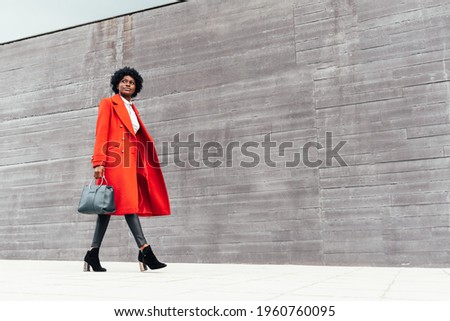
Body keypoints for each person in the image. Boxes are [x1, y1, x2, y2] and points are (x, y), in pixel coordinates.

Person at [83, 67, 171, 272]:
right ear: (117, 84)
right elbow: (101, 133)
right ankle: (145, 250)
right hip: (114, 163)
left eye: (131, 82)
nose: (127, 84)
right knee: (127, 205)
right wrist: (98, 162)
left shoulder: (133, 108)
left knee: (106, 209)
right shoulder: (108, 104)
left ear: (136, 87)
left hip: (131, 163)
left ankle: (92, 254)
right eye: (124, 81)